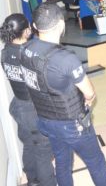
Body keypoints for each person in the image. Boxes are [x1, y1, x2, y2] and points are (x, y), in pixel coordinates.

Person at [20, 3, 106, 186]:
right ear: (62, 25)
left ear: (35, 27)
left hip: (45, 120)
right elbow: (89, 92)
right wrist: (88, 100)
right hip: (72, 125)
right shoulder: (66, 58)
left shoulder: (25, 50)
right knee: (96, 162)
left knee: (62, 162)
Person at [0, 14, 57, 186]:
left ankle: (32, 181)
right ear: (26, 31)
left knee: (29, 144)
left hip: (19, 106)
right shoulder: (30, 54)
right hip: (34, 109)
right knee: (43, 150)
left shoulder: (5, 52)